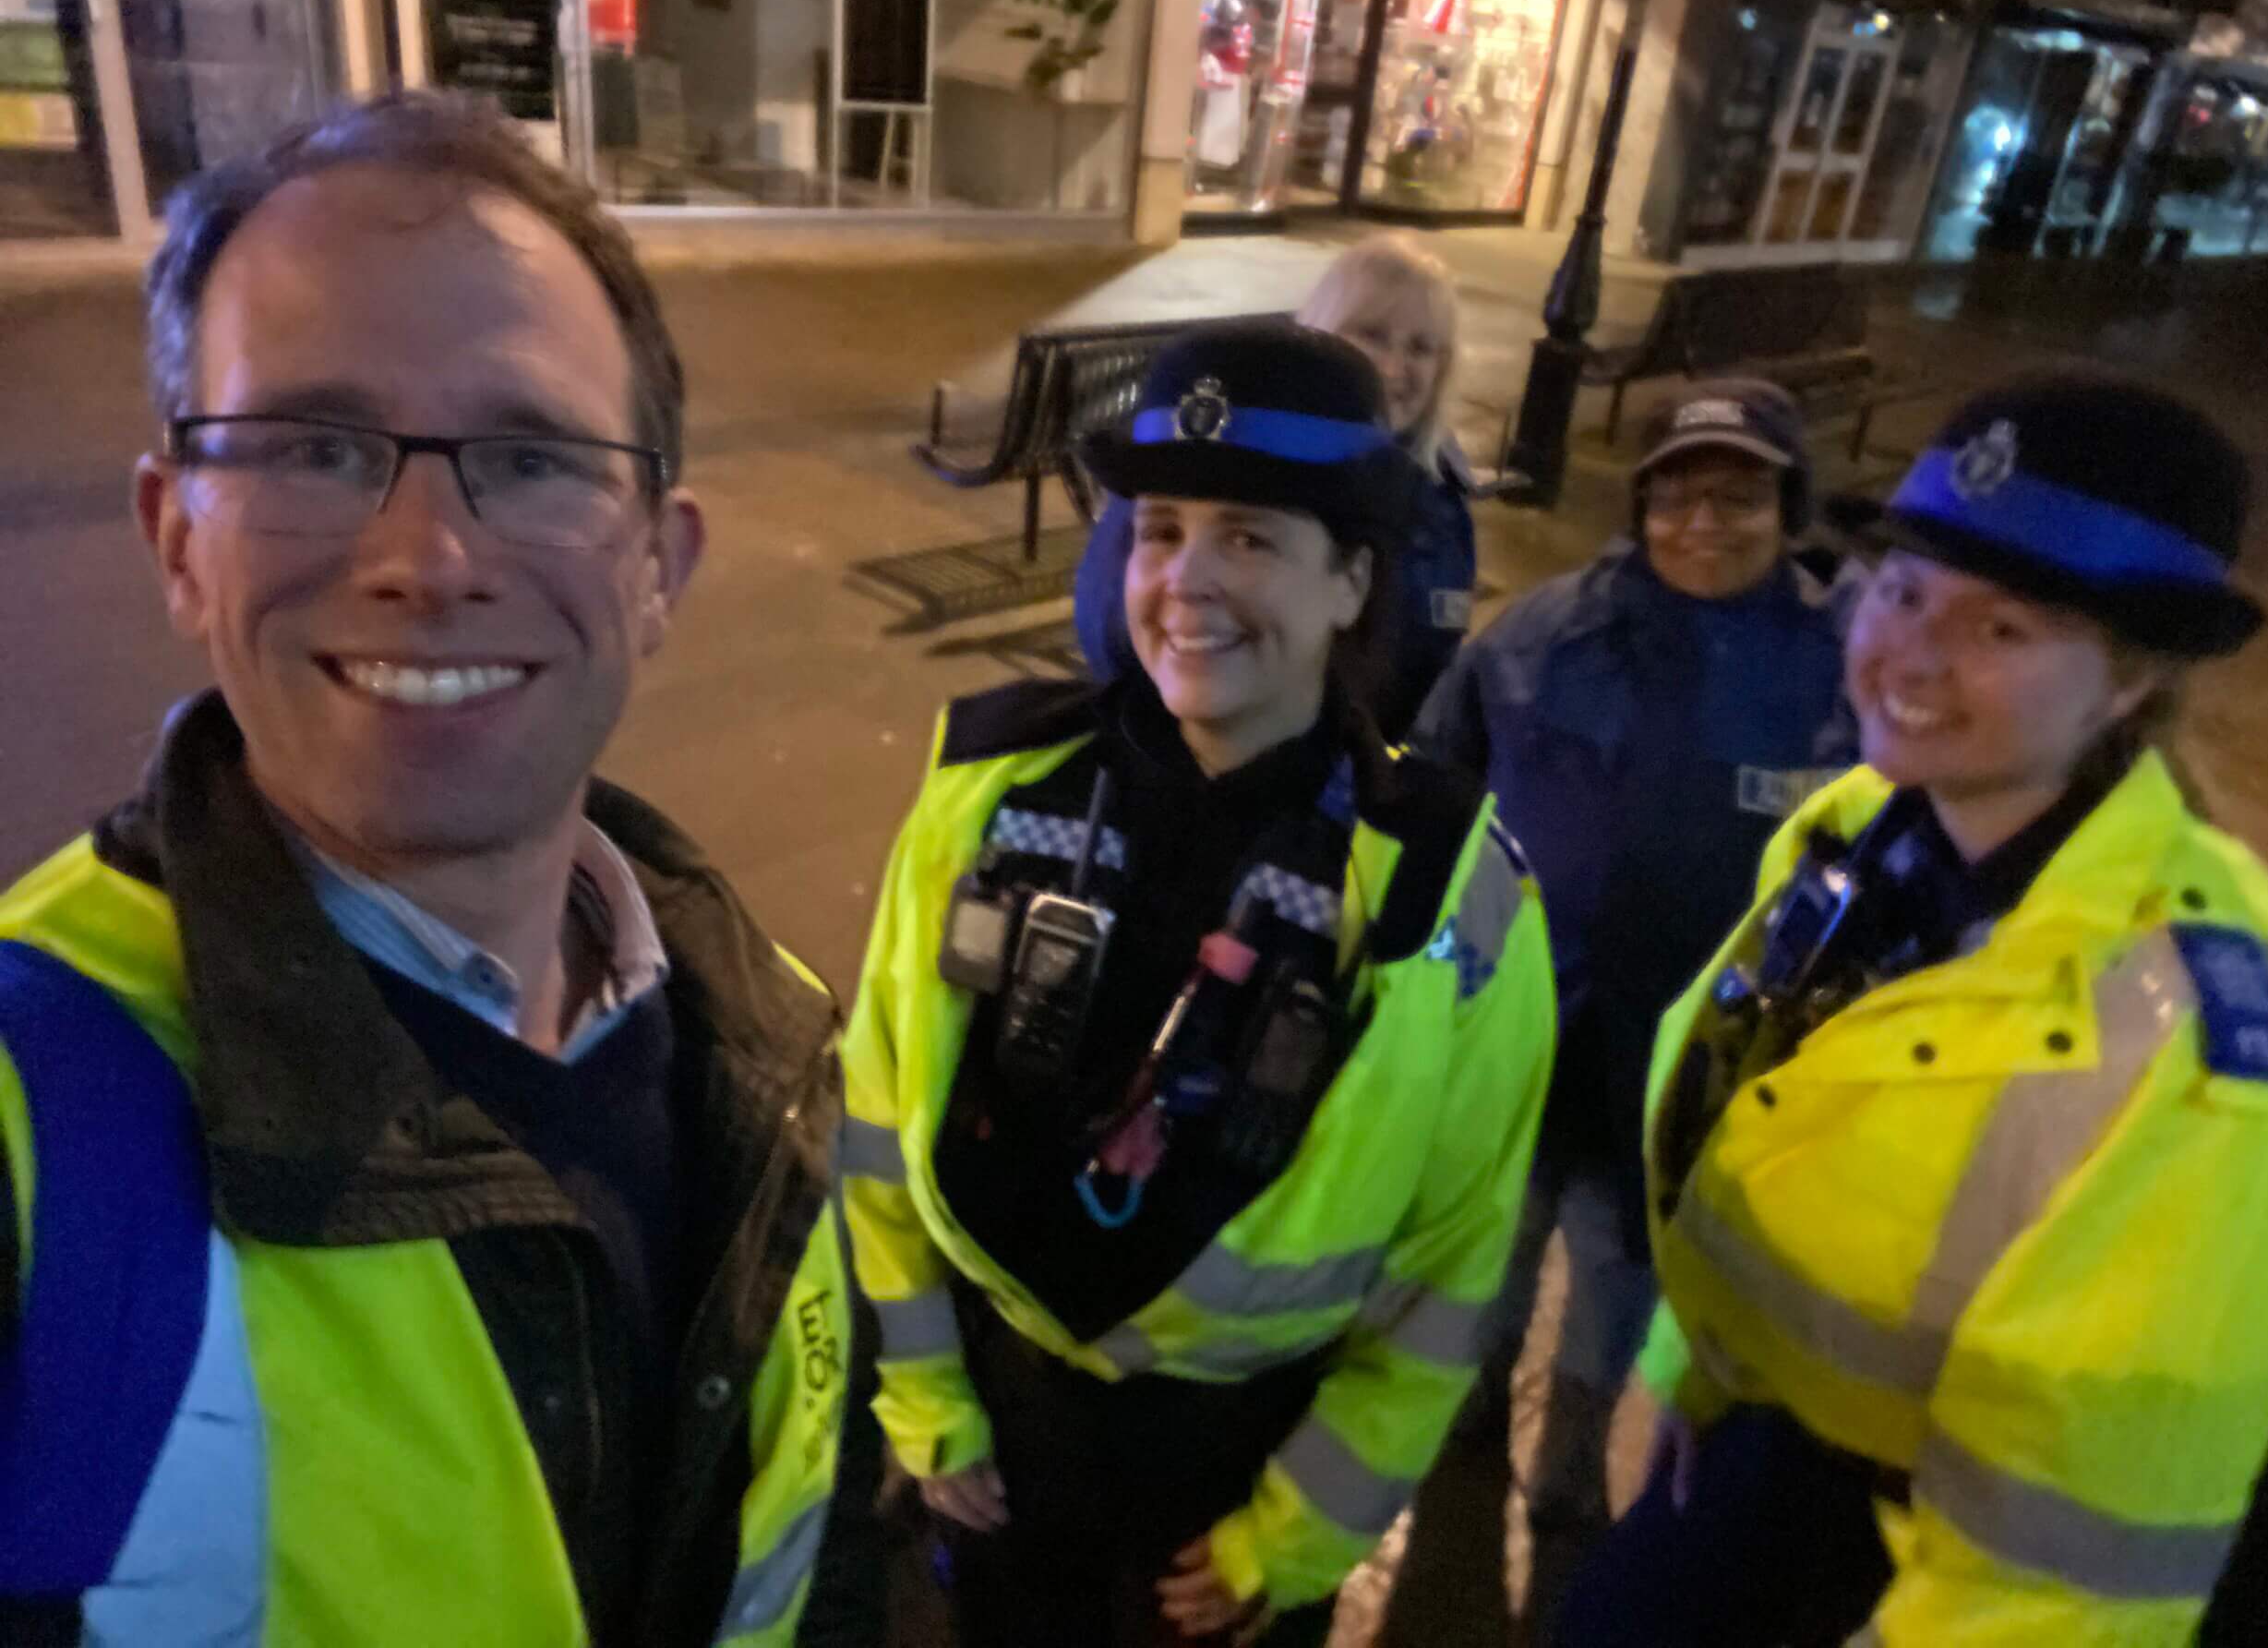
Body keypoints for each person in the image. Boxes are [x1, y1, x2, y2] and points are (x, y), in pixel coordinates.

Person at [0, 94, 875, 1646]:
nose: (426, 556)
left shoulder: (779, 1047)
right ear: (177, 539)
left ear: (657, 564)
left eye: (530, 455)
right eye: (316, 447)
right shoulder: (29, 1117)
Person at [1558, 378, 2268, 1646]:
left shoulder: (2220, 1067)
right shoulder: (1853, 834)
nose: (1913, 656)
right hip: (1754, 1477)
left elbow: (2058, 1581)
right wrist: (1694, 1388)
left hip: (1919, 1572)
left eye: (2005, 630)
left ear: (2126, 685)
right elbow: (1741, 1126)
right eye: (1905, 589)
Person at [838, 319, 1554, 1645]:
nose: (1186, 581)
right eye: (1161, 529)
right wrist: (930, 1403)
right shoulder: (985, 791)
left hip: (1240, 1470)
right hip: (1005, 1435)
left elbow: (1451, 1268)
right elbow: (879, 1125)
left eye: (1251, 538)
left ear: (1352, 582)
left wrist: (1296, 1535)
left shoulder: (1445, 888)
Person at [1397, 381, 1854, 1616]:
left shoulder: (1838, 666)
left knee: (1611, 1298)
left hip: (1676, 1083)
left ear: (1787, 506)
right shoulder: (1543, 635)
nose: (1706, 519)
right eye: (1678, 490)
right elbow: (1443, 788)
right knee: (1485, 1273)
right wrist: (1447, 973)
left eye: (1741, 492)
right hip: (1521, 1047)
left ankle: (1565, 1481)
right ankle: (1465, 1435)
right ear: (1642, 501)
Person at [1075, 233, 1478, 736]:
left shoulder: (1441, 497)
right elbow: (1116, 631)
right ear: (1324, 330)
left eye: (1421, 347)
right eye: (1372, 334)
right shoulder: (1210, 463)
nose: (1395, 367)